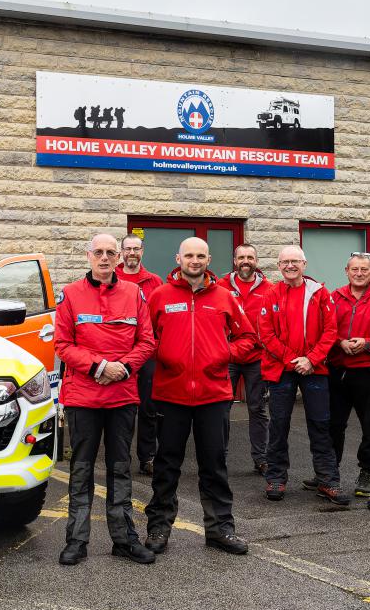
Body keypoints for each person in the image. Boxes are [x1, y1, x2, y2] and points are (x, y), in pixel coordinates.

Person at [144, 238, 256, 556]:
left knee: (214, 464)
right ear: (178, 258)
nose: (195, 260)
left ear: (209, 259)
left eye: (201, 256)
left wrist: (224, 353)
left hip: (213, 395)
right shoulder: (160, 296)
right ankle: (159, 527)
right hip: (171, 394)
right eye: (189, 255)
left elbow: (248, 338)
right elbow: (145, 336)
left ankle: (220, 529)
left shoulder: (224, 297)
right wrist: (162, 352)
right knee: (166, 465)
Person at [55, 233, 156, 566]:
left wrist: (122, 368)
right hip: (83, 397)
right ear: (88, 256)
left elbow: (147, 342)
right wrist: (99, 366)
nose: (104, 258)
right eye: (98, 252)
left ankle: (125, 539)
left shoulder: (134, 293)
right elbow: (63, 345)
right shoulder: (70, 294)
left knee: (120, 468)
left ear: (118, 258)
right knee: (81, 469)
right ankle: (76, 540)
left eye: (110, 253)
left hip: (122, 395)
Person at [258, 246, 348, 505]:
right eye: (285, 262)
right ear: (278, 265)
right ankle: (276, 478)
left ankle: (328, 481)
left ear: (304, 264)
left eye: (294, 261)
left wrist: (311, 359)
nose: (289, 266)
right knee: (278, 425)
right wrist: (291, 359)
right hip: (280, 370)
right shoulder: (270, 294)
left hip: (315, 369)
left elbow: (331, 331)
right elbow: (266, 334)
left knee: (321, 425)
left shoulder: (320, 293)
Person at [325, 252, 370, 497]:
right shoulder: (334, 297)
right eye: (355, 269)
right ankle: (329, 473)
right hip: (337, 370)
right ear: (346, 271)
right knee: (333, 424)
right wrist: (339, 341)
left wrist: (367, 343)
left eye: (364, 269)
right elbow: (324, 329)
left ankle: (368, 472)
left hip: (367, 372)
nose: (359, 273)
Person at [217, 243, 272, 474]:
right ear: (234, 260)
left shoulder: (269, 289)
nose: (246, 261)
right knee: (221, 408)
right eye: (241, 257)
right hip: (227, 356)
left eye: (250, 257)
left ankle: (261, 459)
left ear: (256, 261)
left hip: (256, 358)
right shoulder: (220, 286)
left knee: (257, 408)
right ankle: (219, 457)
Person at [115, 235, 164, 475]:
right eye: (127, 249)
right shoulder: (110, 278)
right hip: (118, 353)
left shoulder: (154, 281)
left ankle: (148, 458)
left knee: (148, 408)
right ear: (120, 252)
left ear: (142, 251)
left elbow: (162, 317)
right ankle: (120, 457)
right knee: (120, 408)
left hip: (147, 353)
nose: (131, 253)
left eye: (136, 249)